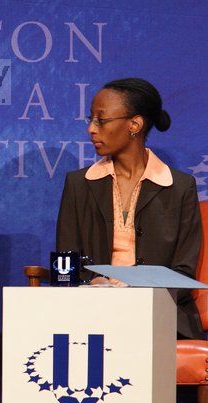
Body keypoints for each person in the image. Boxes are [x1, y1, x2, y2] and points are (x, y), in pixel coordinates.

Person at [56, 77, 202, 339]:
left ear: (134, 124)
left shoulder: (179, 187)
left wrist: (138, 301)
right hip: (92, 314)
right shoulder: (79, 184)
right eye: (90, 119)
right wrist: (90, 284)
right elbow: (65, 264)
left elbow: (183, 271)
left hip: (161, 317)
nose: (91, 128)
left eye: (101, 120)